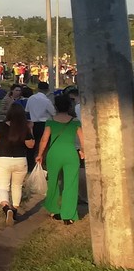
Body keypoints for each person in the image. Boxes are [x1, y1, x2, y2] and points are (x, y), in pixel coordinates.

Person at [0, 103, 36, 225]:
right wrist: (30, 129)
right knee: (17, 186)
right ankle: (15, 210)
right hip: (20, 160)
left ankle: (6, 208)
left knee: (2, 186)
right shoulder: (24, 127)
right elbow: (31, 145)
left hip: (3, 159)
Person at [39, 93, 84, 223]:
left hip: (54, 153)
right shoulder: (75, 121)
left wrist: (40, 154)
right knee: (71, 184)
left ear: (56, 106)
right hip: (70, 153)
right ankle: (68, 214)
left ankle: (55, 209)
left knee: (53, 182)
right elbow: (82, 140)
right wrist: (82, 151)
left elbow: (44, 139)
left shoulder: (51, 121)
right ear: (70, 106)